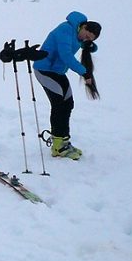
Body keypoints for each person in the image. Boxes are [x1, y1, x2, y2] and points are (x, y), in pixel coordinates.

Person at [33, 11, 101, 160]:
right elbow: (66, 56)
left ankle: (64, 140)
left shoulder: (78, 34)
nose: (86, 39)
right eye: (87, 36)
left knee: (68, 103)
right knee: (59, 105)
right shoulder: (65, 29)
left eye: (90, 39)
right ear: (84, 27)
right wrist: (85, 73)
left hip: (57, 72)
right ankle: (57, 146)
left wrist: (91, 46)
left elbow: (81, 43)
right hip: (44, 69)